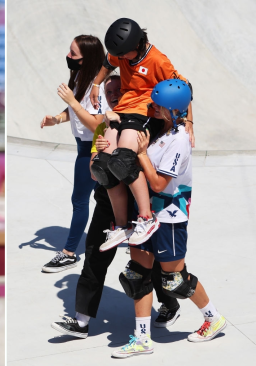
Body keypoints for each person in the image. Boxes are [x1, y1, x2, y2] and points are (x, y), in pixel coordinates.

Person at [51, 75, 181, 339]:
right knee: (94, 256)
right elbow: (92, 171)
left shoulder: (146, 120)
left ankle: (169, 304)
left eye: (118, 90)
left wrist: (188, 121)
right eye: (108, 92)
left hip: (138, 199)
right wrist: (98, 153)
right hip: (108, 200)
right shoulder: (104, 126)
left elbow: (180, 93)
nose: (113, 95)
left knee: (150, 261)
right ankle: (81, 321)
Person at [111, 80, 225, 359]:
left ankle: (213, 318)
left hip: (170, 216)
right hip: (146, 214)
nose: (152, 107)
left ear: (174, 111)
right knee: (136, 275)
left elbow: (160, 183)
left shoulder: (179, 140)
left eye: (158, 105)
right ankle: (141, 338)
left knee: (176, 280)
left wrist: (141, 155)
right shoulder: (160, 128)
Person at [89, 18, 194, 250]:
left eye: (125, 55)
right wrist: (96, 84)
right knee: (102, 165)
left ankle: (146, 219)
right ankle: (122, 226)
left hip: (145, 112)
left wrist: (190, 122)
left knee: (123, 162)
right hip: (122, 110)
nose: (122, 60)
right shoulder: (121, 52)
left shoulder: (158, 60)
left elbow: (185, 88)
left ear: (138, 44)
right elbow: (108, 63)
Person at [40, 35, 110, 272]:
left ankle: (69, 253)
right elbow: (75, 108)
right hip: (85, 146)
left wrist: (72, 101)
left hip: (95, 148)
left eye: (73, 54)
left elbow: (96, 124)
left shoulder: (97, 87)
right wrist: (58, 118)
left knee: (79, 201)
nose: (68, 57)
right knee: (106, 197)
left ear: (87, 59)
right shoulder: (82, 76)